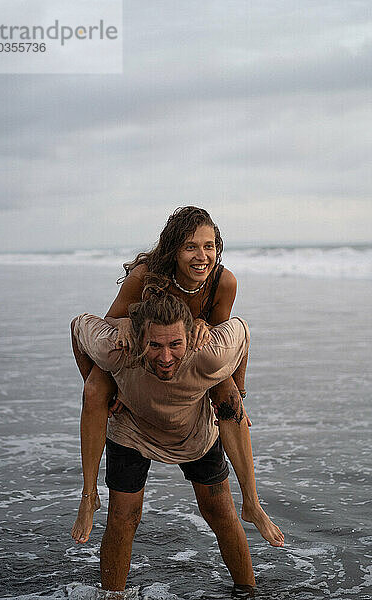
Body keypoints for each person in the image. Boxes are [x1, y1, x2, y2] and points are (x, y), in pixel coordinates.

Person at [71, 206, 284, 549]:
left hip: (187, 358)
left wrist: (236, 385)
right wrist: (122, 379)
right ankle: (88, 494)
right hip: (141, 353)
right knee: (95, 387)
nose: (203, 256)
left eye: (209, 246)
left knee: (228, 394)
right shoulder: (146, 275)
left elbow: (222, 337)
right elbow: (113, 317)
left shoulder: (223, 282)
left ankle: (252, 504)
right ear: (173, 250)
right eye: (191, 247)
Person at [71, 291, 258, 593]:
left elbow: (244, 331)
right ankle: (112, 597)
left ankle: (248, 592)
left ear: (190, 337)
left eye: (175, 344)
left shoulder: (210, 352)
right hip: (133, 429)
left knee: (220, 511)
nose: (166, 357)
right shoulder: (116, 349)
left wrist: (239, 390)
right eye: (154, 345)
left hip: (192, 429)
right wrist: (102, 389)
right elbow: (78, 326)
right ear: (138, 338)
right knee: (123, 516)